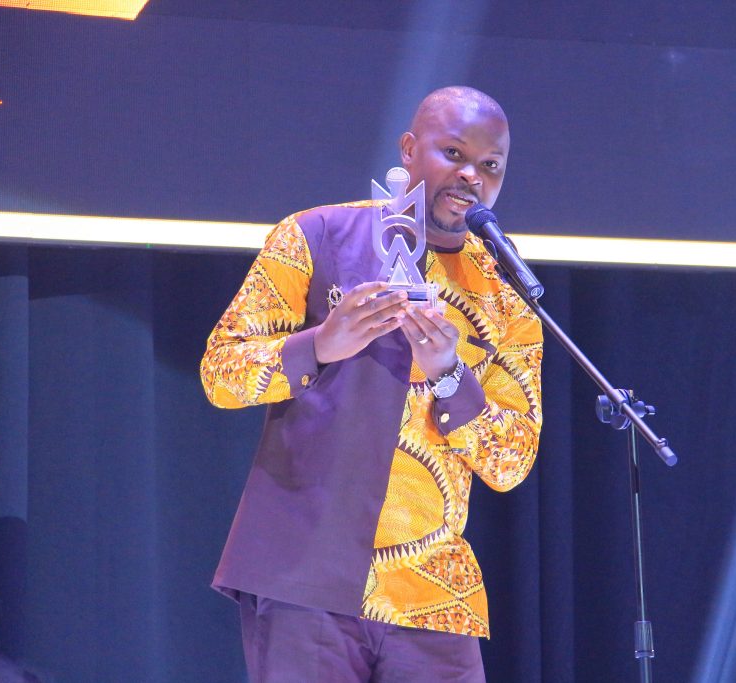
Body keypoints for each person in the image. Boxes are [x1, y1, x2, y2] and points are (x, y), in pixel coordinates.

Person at [200, 86, 543, 682]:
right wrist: (320, 345)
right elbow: (221, 373)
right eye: (454, 154)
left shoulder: (505, 298)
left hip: (434, 592)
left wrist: (450, 375)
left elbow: (510, 462)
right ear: (409, 149)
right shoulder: (316, 235)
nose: (471, 175)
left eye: (491, 165)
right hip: (305, 572)